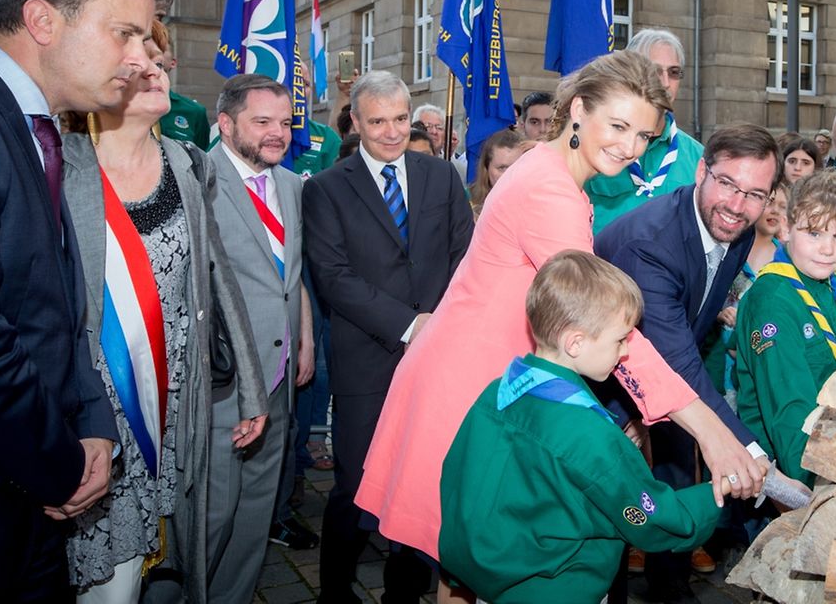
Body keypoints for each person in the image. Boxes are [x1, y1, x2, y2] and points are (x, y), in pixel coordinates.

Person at [355, 51, 765, 604]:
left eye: (644, 135)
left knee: (470, 567)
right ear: (577, 110)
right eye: (617, 126)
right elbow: (609, 331)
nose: (629, 146)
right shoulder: (550, 189)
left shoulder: (553, 171)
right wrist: (713, 435)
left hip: (495, 380)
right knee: (473, 560)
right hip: (470, 384)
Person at [62, 24, 269, 603]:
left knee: (167, 549)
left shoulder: (186, 161)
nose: (157, 68)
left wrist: (251, 389)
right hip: (100, 401)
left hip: (177, 395)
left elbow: (217, 278)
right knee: (103, 570)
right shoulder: (61, 164)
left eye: (159, 58)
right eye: (138, 58)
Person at [0, 0, 170, 602]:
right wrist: (59, 462)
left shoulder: (43, 131)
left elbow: (59, 308)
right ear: (44, 21)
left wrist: (92, 418)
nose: (142, 57)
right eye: (126, 32)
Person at [439, 251, 727, 604]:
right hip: (557, 585)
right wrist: (717, 494)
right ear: (575, 342)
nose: (624, 352)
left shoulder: (496, 393)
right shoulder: (590, 433)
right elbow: (650, 518)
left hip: (493, 578)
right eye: (620, 339)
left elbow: (457, 479)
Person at [304, 71, 474, 603]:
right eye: (378, 121)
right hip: (366, 359)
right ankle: (335, 588)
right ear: (356, 122)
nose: (393, 131)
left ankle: (404, 592)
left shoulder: (440, 176)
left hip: (437, 359)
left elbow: (463, 258)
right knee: (356, 485)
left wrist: (441, 323)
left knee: (425, 481)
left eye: (401, 119)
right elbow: (333, 277)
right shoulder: (326, 188)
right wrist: (408, 323)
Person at [594, 123, 781, 600]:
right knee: (610, 513)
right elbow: (671, 357)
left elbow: (687, 329)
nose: (738, 205)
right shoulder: (651, 242)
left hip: (669, 377)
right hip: (599, 388)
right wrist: (751, 454)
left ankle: (669, 587)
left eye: (755, 194)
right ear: (701, 170)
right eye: (727, 184)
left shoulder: (733, 228)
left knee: (676, 482)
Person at [206, 74, 316, 601]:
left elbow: (290, 279)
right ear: (226, 124)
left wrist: (306, 337)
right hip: (224, 383)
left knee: (255, 512)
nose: (279, 134)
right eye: (263, 122)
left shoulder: (292, 186)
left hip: (281, 379)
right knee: (212, 514)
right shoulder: (198, 181)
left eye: (286, 123)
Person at [732, 171, 836, 483]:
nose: (827, 249)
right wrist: (810, 487)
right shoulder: (772, 300)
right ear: (786, 228)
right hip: (790, 470)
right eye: (814, 233)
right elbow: (788, 410)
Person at [585, 28, 705, 234]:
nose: (666, 83)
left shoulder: (698, 157)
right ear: (629, 73)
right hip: (599, 264)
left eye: (674, 73)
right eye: (655, 71)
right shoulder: (598, 144)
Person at [706, 182, 790, 409]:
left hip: (758, 363)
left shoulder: (787, 261)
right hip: (718, 360)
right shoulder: (727, 250)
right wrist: (718, 312)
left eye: (783, 206)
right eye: (770, 203)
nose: (775, 211)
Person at [154, 24, 212, 150]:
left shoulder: (194, 112)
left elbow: (201, 162)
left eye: (161, 50)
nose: (154, 55)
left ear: (173, 62)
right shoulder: (126, 107)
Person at [469, 128, 532, 219]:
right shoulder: (466, 206)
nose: (509, 175)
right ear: (486, 169)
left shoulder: (540, 207)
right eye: (502, 168)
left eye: (516, 167)